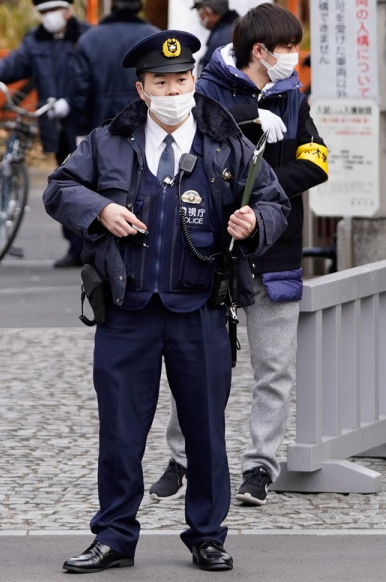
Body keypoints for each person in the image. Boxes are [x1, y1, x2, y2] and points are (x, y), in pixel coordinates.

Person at [44, 30, 289, 573]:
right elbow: (58, 188)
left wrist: (254, 224)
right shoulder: (108, 141)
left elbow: (274, 201)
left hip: (200, 309)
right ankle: (114, 536)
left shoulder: (228, 143)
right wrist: (100, 211)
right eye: (162, 82)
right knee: (120, 431)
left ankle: (207, 534)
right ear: (142, 88)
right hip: (126, 311)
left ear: (195, 81)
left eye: (182, 80)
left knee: (205, 430)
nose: (174, 90)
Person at [149, 3, 328, 507]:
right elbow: (192, 140)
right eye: (289, 47)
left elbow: (315, 159)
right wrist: (250, 119)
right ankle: (181, 459)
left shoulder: (293, 94)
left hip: (274, 247)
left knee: (275, 367)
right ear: (260, 50)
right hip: (212, 247)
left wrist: (267, 191)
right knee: (199, 361)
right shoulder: (205, 88)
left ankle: (259, 468)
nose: (295, 57)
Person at [0, 0, 91, 268]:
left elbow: (92, 77)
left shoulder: (87, 37)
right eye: (43, 13)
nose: (48, 18)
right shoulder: (35, 40)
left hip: (84, 122)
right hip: (53, 122)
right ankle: (76, 249)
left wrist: (71, 102)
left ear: (68, 11)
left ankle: (92, 248)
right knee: (65, 183)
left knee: (90, 184)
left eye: (54, 11)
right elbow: (15, 63)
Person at [73, 0, 159, 133]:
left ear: (112, 3)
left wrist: (80, 131)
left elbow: (80, 92)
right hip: (145, 120)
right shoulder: (155, 37)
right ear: (139, 4)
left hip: (100, 122)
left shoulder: (89, 39)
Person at [184, 0, 239, 76]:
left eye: (199, 11)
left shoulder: (221, 40)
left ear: (207, 11)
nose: (200, 17)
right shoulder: (239, 27)